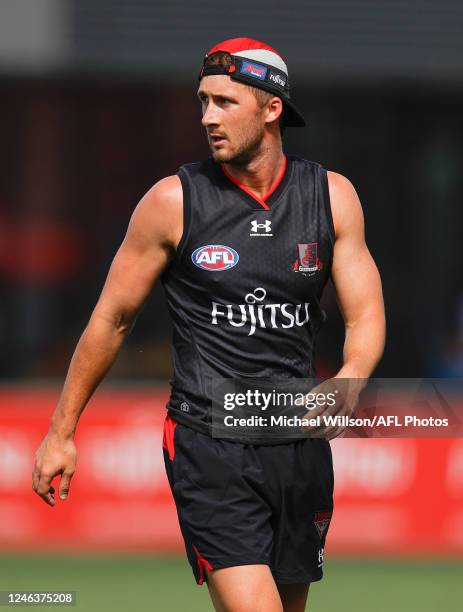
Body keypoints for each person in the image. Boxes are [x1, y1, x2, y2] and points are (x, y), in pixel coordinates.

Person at [32, 37, 385, 612]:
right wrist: (61, 431)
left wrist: (352, 377)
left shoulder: (332, 196)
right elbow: (113, 319)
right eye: (203, 102)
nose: (207, 118)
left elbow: (365, 314)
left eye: (224, 102)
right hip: (209, 441)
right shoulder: (171, 202)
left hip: (299, 444)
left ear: (272, 109)